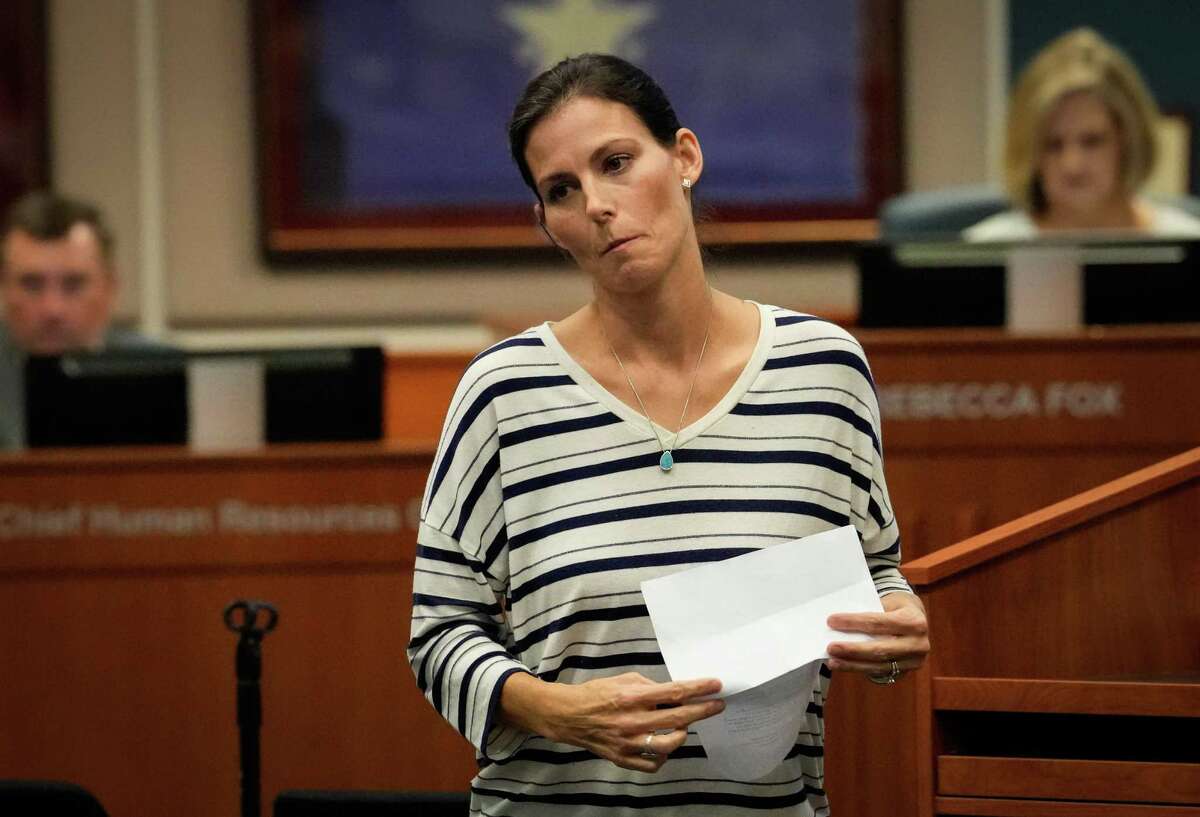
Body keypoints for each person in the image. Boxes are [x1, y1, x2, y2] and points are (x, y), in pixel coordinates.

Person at [408, 54, 929, 815]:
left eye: (616, 163)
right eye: (562, 190)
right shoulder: (504, 391)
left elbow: (875, 575)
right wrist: (558, 709)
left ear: (683, 157)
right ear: (547, 225)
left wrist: (895, 635)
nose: (596, 203)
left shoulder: (824, 370)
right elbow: (440, 634)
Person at [964, 27, 1200, 241]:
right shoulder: (985, 250)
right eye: (1053, 145)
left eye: (1092, 142)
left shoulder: (1184, 242)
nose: (1072, 165)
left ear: (1127, 138)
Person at [0, 190, 157, 449]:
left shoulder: (157, 371)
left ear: (110, 288)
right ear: (5, 287)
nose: (52, 309)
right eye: (31, 284)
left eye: (73, 284)